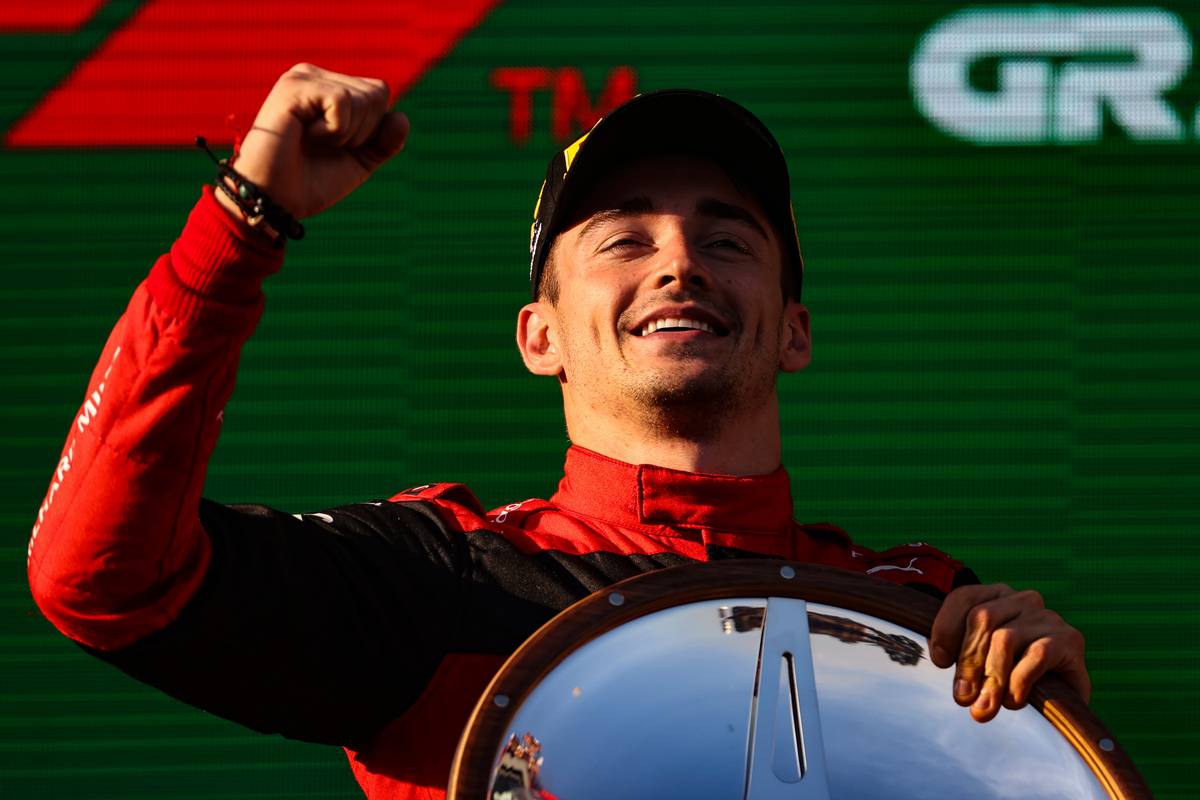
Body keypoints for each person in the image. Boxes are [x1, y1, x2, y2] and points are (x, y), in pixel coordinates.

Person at [27, 64, 1090, 800]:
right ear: (540, 336)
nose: (680, 261)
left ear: (795, 329)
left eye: (727, 236)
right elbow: (103, 577)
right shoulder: (446, 580)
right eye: (624, 236)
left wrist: (1051, 751)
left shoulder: (916, 616)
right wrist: (242, 222)